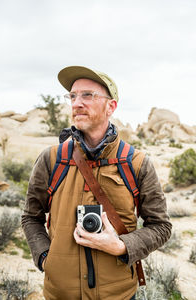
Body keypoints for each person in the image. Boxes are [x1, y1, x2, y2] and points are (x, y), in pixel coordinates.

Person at [22, 66, 172, 300]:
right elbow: (31, 217)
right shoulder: (52, 159)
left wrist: (122, 246)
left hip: (118, 294)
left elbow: (161, 226)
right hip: (60, 293)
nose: (77, 103)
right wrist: (45, 258)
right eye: (72, 96)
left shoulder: (137, 163)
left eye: (88, 95)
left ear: (110, 106)